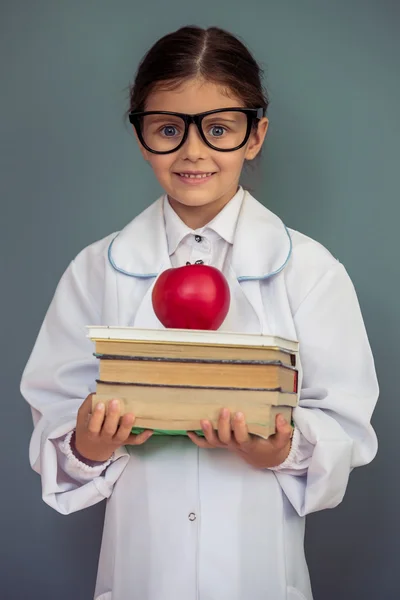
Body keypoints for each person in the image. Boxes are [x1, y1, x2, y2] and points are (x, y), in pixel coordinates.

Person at [20, 25, 379, 600]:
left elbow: (346, 424)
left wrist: (280, 447)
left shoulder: (310, 270)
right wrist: (88, 442)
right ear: (141, 137)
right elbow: (53, 420)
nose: (193, 151)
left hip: (255, 571)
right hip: (144, 572)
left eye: (217, 129)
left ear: (255, 135)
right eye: (167, 129)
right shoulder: (96, 271)